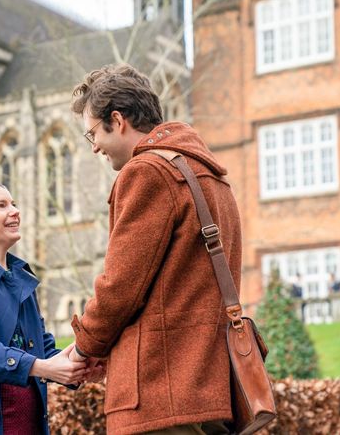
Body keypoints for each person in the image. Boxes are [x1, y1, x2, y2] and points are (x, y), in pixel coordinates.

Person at [67, 64, 240, 434]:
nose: (94, 146)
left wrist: (84, 348)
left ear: (118, 120)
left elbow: (120, 287)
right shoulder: (211, 177)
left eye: (92, 133)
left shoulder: (147, 172)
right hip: (210, 390)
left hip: (160, 395)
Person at [0, 181, 104, 435]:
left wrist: (80, 365)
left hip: (30, 424)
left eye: (13, 204)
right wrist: (40, 367)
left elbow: (41, 347)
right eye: (1, 206)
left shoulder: (20, 275)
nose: (14, 211)